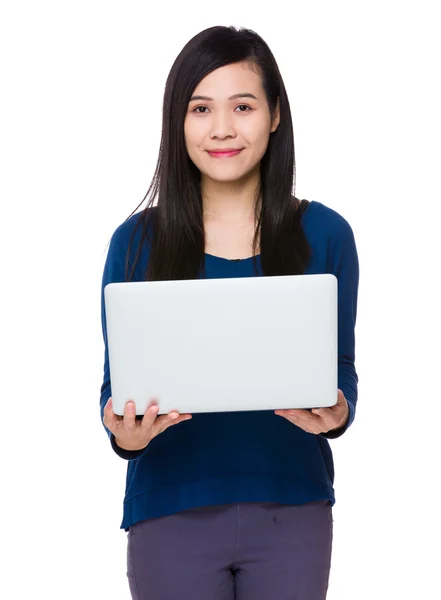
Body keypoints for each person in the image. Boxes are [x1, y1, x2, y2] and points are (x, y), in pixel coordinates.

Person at [100, 25, 359, 600]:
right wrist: (122, 430)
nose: (222, 129)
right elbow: (115, 387)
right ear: (178, 121)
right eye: (200, 108)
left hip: (292, 505)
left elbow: (340, 365)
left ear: (273, 115)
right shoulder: (136, 242)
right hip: (170, 505)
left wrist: (338, 411)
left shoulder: (325, 234)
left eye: (242, 106)